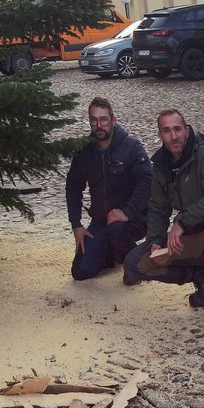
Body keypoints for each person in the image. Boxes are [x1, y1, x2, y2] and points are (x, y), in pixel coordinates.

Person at [122, 108, 204, 340]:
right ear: (160, 134)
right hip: (188, 243)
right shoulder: (161, 167)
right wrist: (155, 242)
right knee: (135, 265)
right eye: (167, 131)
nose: (174, 136)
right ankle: (202, 278)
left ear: (186, 131)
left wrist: (181, 223)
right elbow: (158, 209)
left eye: (177, 129)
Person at [64, 96, 151, 281]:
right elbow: (73, 186)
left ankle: (137, 263)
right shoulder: (84, 151)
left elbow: (146, 181)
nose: (99, 125)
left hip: (134, 219)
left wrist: (128, 212)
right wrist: (76, 224)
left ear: (113, 121)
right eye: (94, 120)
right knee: (80, 272)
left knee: (117, 229)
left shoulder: (131, 147)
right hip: (101, 221)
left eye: (103, 120)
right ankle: (112, 252)